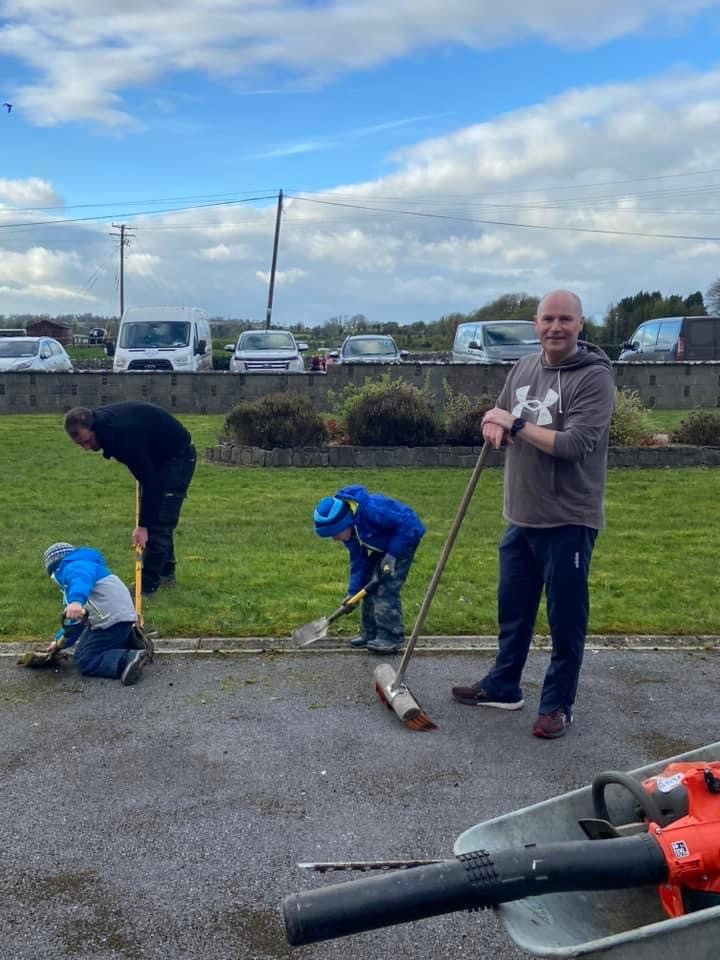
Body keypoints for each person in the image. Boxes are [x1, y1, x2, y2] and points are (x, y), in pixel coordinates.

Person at [451, 290, 615, 739]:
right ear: (536, 323)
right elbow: (501, 414)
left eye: (565, 319)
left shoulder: (594, 378)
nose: (555, 328)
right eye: (548, 319)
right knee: (513, 610)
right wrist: (493, 423)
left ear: (580, 325)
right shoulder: (524, 367)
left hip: (568, 519)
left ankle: (557, 705)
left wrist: (517, 425)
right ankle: (504, 686)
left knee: (565, 619)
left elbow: (574, 445)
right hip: (520, 515)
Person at [63, 401, 196, 597]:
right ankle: (166, 573)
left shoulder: (123, 437)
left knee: (159, 522)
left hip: (177, 457)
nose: (86, 448)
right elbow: (146, 474)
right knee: (157, 515)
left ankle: (147, 587)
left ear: (94, 428)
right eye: (81, 444)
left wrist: (142, 526)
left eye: (87, 441)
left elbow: (152, 484)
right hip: (155, 456)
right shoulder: (104, 427)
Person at [313, 485, 425, 653]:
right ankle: (371, 633)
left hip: (403, 542)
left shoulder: (372, 509)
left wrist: (393, 554)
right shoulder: (350, 531)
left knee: (385, 587)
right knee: (367, 582)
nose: (335, 539)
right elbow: (358, 561)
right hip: (383, 546)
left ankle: (391, 637)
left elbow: (409, 523)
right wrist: (353, 592)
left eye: (335, 534)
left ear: (344, 523)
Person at [42, 542, 149, 685]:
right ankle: (131, 641)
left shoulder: (72, 568)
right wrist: (58, 642)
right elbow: (75, 624)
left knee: (85, 659)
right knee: (90, 644)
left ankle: (127, 658)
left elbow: (81, 579)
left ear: (54, 570)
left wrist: (75, 601)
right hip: (120, 616)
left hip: (110, 620)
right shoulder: (87, 565)